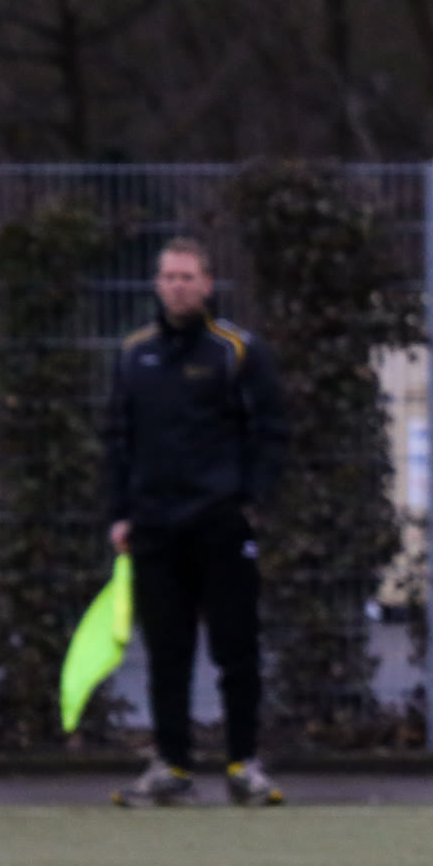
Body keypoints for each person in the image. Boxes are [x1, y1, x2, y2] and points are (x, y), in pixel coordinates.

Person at [103, 237, 287, 808]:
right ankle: (173, 767)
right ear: (157, 284)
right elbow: (117, 439)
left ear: (207, 284)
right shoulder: (134, 354)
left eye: (187, 277)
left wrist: (250, 501)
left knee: (237, 649)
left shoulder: (238, 350)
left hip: (220, 525)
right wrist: (120, 513)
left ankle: (242, 765)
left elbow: (271, 431)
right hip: (155, 527)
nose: (177, 286)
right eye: (169, 277)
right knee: (167, 653)